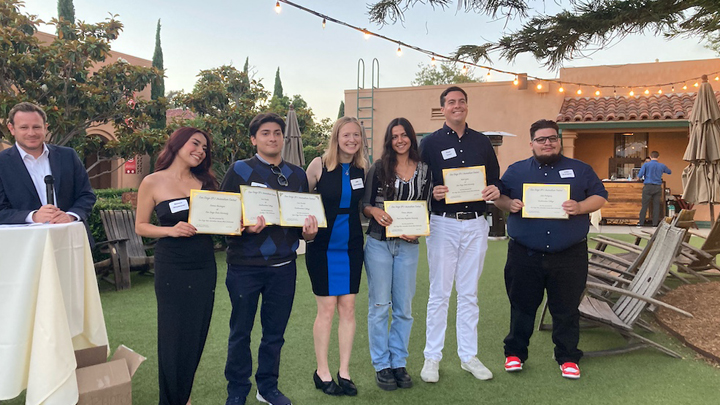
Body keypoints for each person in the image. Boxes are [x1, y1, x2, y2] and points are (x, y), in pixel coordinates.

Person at [494, 119, 607, 380]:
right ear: (531, 143)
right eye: (541, 139)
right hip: (525, 254)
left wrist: (579, 207)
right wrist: (508, 204)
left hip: (569, 254)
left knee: (566, 309)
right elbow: (499, 195)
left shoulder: (580, 170)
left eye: (552, 138)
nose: (548, 143)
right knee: (521, 306)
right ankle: (515, 353)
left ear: (559, 141)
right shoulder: (517, 170)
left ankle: (567, 357)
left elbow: (600, 196)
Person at [221, 113, 318, 405]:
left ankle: (267, 387)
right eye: (265, 133)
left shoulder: (297, 175)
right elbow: (223, 218)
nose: (272, 138)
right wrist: (243, 226)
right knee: (240, 332)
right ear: (254, 139)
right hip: (244, 267)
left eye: (277, 133)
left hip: (283, 267)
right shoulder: (238, 170)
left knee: (274, 334)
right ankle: (237, 389)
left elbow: (303, 228)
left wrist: (310, 233)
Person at [418, 86, 501, 383]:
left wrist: (496, 189)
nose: (457, 106)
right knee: (439, 293)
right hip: (443, 224)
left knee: (469, 294)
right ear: (443, 109)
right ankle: (432, 358)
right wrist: (432, 192)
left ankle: (468, 356)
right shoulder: (429, 143)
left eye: (461, 102)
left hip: (476, 223)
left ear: (467, 106)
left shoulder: (482, 142)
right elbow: (418, 182)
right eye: (451, 102)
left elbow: (495, 180)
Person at [135, 127, 218, 405]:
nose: (200, 151)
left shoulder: (207, 183)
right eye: (195, 144)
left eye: (205, 148)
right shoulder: (152, 181)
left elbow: (222, 222)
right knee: (172, 336)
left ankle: (185, 396)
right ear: (178, 144)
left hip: (204, 265)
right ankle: (171, 400)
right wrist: (170, 230)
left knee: (196, 333)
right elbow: (141, 227)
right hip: (172, 266)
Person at [362, 118, 430, 391]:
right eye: (394, 136)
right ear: (389, 140)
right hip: (379, 243)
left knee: (404, 308)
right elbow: (365, 204)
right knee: (379, 307)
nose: (400, 140)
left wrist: (418, 229)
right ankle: (382, 364)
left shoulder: (425, 170)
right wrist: (375, 212)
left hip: (408, 246)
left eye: (404, 135)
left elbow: (426, 205)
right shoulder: (379, 167)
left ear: (411, 138)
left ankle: (399, 362)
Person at [305, 116, 367, 397]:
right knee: (327, 309)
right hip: (322, 245)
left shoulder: (362, 168)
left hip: (352, 244)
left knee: (349, 308)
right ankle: (322, 371)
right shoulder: (318, 164)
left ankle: (344, 371)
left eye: (356, 135)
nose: (352, 140)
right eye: (346, 135)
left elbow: (364, 205)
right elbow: (299, 202)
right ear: (336, 137)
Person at [0, 102, 96, 231]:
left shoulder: (68, 156)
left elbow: (86, 195)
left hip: (70, 238)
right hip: (25, 244)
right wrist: (33, 217)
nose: (31, 133)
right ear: (12, 129)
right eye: (24, 127)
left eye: (36, 127)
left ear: (45, 128)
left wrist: (70, 216)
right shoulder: (2, 163)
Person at [638, 151, 671, 226]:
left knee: (644, 205)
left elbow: (639, 175)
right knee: (656, 206)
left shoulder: (646, 165)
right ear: (658, 157)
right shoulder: (662, 165)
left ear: (650, 156)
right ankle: (655, 224)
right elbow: (669, 172)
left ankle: (641, 223)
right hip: (657, 187)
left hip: (648, 186)